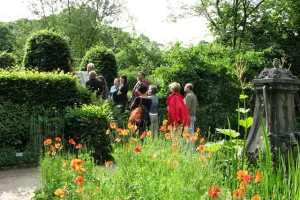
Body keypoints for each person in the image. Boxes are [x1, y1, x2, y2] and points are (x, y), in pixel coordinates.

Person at [184, 83, 199, 148]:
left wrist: (183, 102)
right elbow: (197, 105)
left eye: (185, 87)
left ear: (188, 88)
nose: (184, 88)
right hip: (193, 116)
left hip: (189, 116)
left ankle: (191, 149)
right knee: (190, 133)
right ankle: (189, 148)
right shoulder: (194, 95)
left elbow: (187, 107)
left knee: (190, 134)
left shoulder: (189, 96)